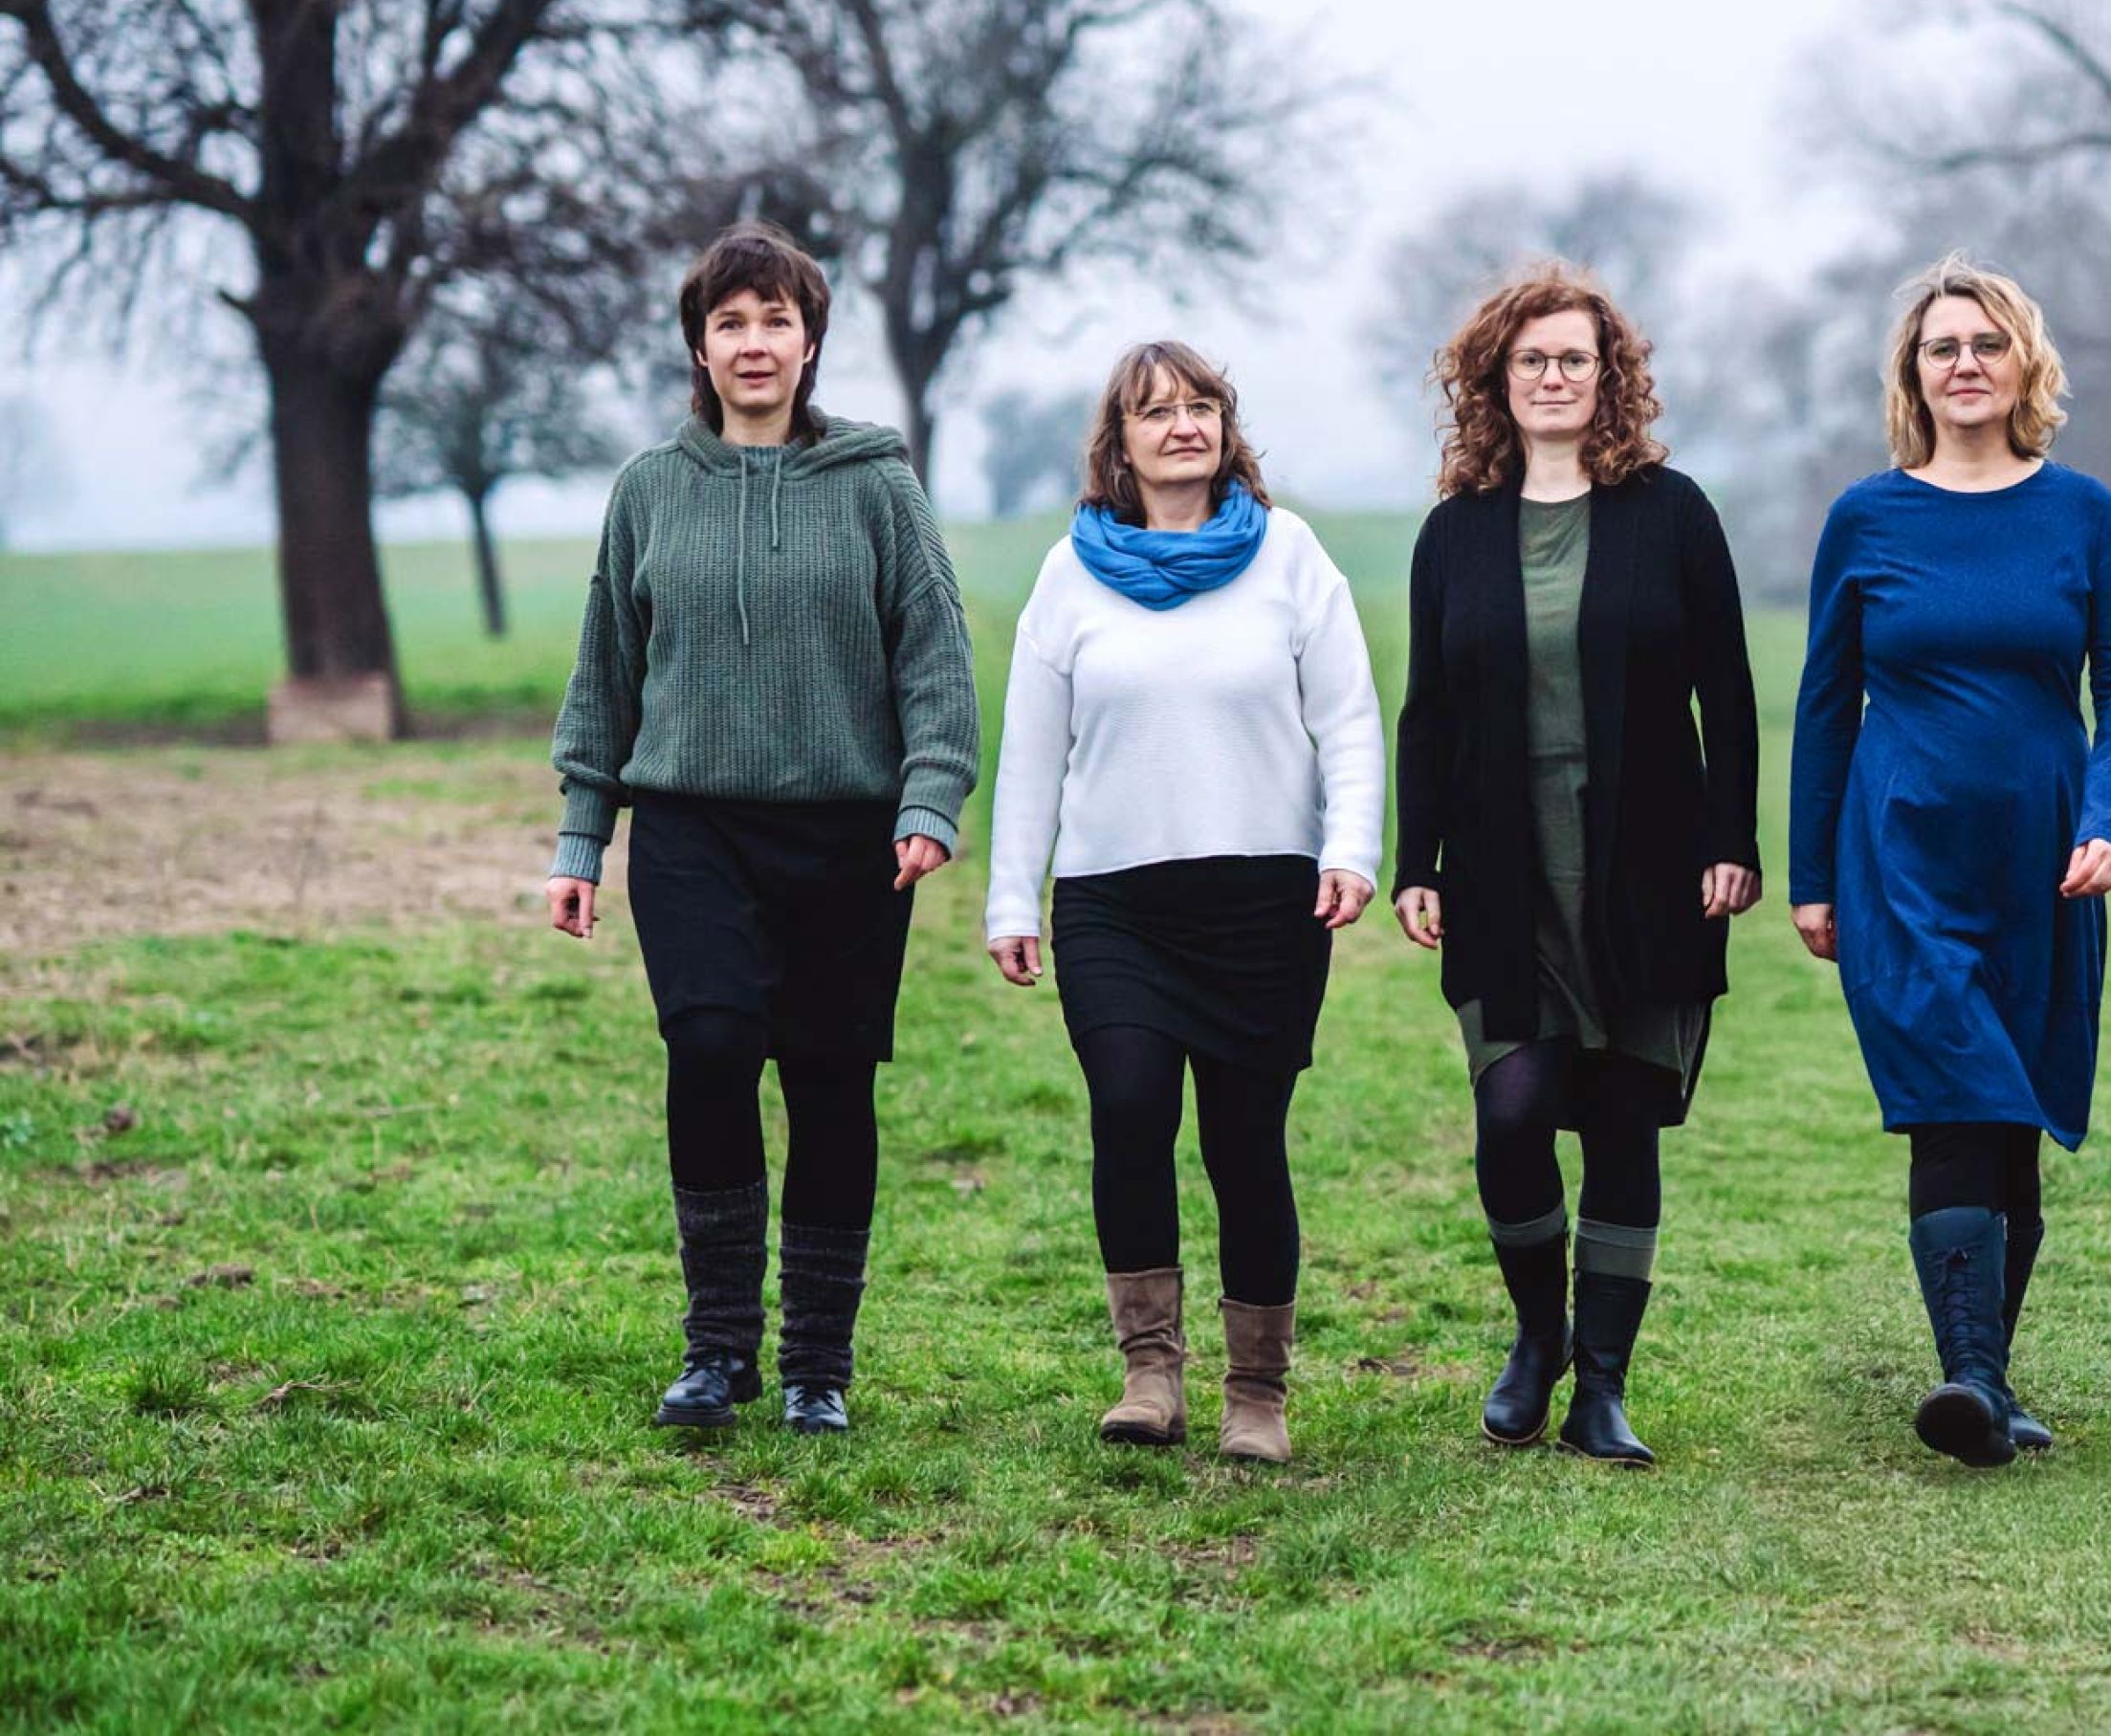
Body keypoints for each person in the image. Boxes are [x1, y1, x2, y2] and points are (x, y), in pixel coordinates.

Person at [543, 220, 979, 1437]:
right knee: (712, 1045)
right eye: (729, 321)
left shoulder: (879, 486)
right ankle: (717, 1347)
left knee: (831, 1081)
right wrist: (582, 836)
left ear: (809, 341)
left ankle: (815, 1366)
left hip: (847, 835)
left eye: (775, 321)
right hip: (691, 827)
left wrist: (930, 797)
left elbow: (936, 656)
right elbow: (606, 669)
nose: (753, 342)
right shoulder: (649, 490)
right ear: (699, 344)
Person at [1789, 253, 2111, 1468]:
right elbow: (1823, 703)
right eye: (1941, 345)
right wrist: (1810, 874)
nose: (1964, 363)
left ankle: (1984, 1383)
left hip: (2045, 853)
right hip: (1900, 852)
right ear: (1913, 372)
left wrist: (2110, 818)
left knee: (2016, 1107)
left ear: (2023, 365)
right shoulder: (1866, 518)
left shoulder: (2082, 513)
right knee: (1956, 1092)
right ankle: (1970, 1377)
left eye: (1985, 343)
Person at [982, 341, 1382, 1465]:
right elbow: (1032, 751)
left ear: (1225, 426)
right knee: (1129, 1107)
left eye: (1201, 404)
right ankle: (1150, 1372)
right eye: (1156, 410)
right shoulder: (1070, 573)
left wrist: (1351, 847)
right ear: (1119, 440)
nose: (1182, 424)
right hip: (1114, 902)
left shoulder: (1290, 555)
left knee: (1245, 1141)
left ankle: (1257, 1390)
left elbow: (1349, 719)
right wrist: (1013, 896)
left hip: (1263, 898)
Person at [1392, 260, 1762, 1468]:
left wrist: (1734, 840)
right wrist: (1414, 859)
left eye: (1574, 359)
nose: (1552, 377)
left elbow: (1728, 695)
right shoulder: (1455, 533)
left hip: (1648, 863)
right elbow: (1428, 712)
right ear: (1495, 380)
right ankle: (1537, 1336)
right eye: (1531, 360)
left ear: (1611, 379)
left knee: (1620, 1120)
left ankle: (1603, 1384)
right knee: (1511, 1110)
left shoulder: (1673, 513)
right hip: (1502, 870)